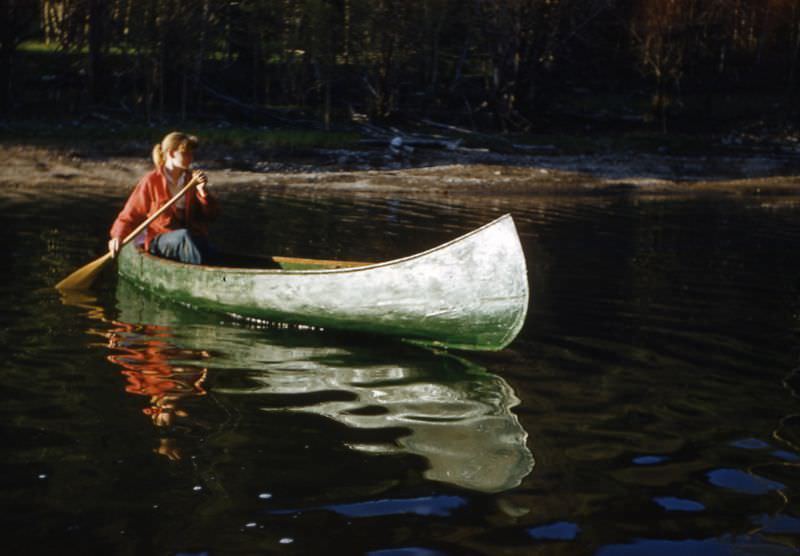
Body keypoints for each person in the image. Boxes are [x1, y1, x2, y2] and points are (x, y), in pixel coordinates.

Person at [108, 131, 219, 264]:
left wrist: (202, 193)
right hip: (160, 240)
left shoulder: (192, 180)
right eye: (186, 153)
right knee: (183, 237)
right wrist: (118, 237)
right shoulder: (151, 181)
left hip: (191, 239)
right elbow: (129, 215)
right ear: (171, 153)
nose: (191, 157)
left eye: (192, 153)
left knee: (207, 248)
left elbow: (212, 216)